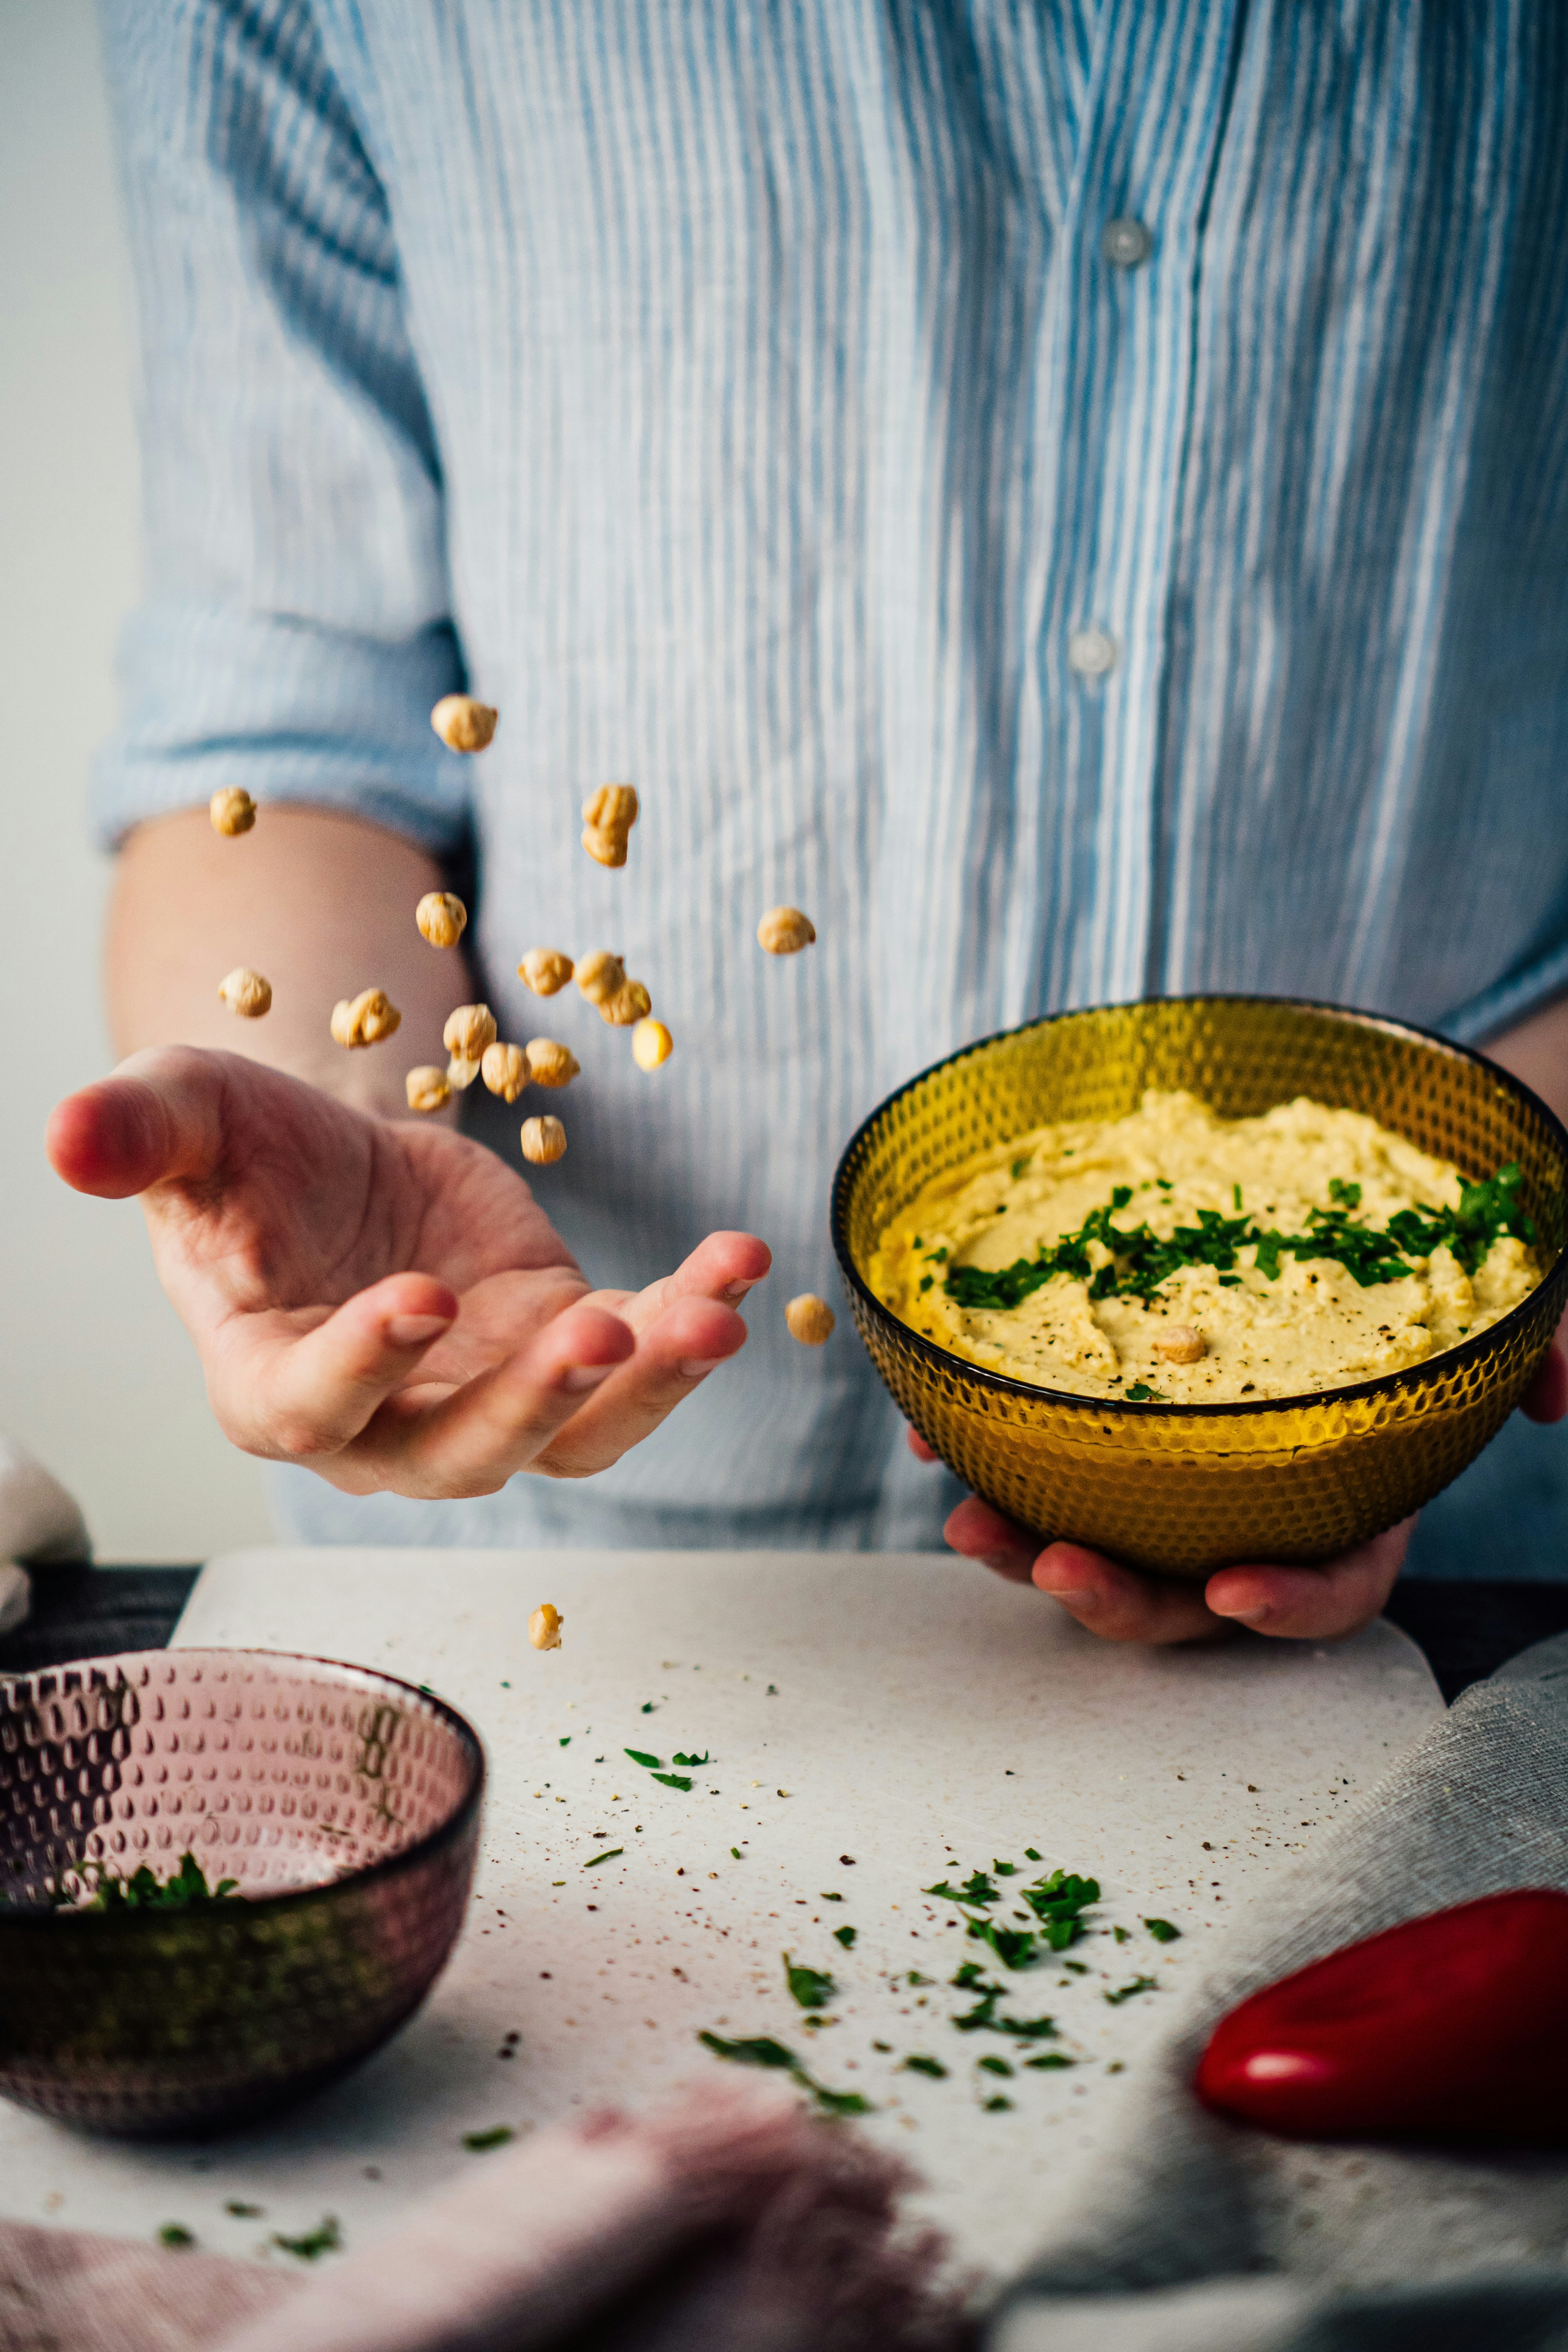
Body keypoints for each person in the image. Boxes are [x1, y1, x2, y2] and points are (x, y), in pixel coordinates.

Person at [50, 1, 1568, 1646]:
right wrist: (321, 1114)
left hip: (1461, 1529)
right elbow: (288, 726)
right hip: (575, 1521)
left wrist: (1424, 1325)